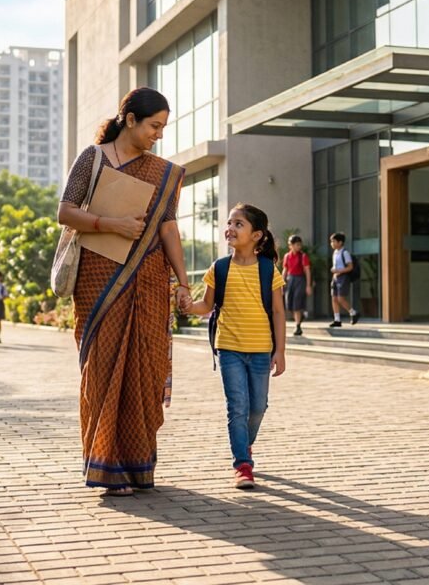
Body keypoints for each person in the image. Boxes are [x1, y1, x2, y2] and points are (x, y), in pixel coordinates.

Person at [56, 87, 191, 497]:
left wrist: (182, 283)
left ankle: (137, 465)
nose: (159, 135)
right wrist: (110, 225)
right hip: (99, 278)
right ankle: (107, 466)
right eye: (154, 125)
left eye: (163, 127)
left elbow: (168, 227)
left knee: (145, 367)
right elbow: (65, 211)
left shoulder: (163, 172)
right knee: (102, 368)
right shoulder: (93, 159)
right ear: (129, 119)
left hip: (149, 279)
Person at [184, 203, 286, 490]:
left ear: (257, 235)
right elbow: (206, 304)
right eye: (229, 223)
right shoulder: (219, 268)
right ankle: (242, 463)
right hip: (228, 347)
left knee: (258, 407)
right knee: (237, 407)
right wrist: (187, 306)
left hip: (260, 349)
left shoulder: (268, 270)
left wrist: (280, 351)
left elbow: (278, 312)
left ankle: (245, 444)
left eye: (239, 224)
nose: (230, 228)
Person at [282, 235, 312, 337]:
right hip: (290, 280)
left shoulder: (303, 256)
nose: (299, 247)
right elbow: (285, 270)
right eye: (296, 244)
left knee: (296, 302)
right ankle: (301, 315)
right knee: (289, 303)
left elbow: (307, 271)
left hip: (300, 279)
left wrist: (308, 285)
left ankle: (298, 326)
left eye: (300, 244)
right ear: (291, 245)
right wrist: (282, 283)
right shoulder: (287, 256)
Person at [329, 232, 359, 327]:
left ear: (340, 242)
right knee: (334, 298)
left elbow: (350, 267)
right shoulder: (335, 252)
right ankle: (337, 319)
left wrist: (339, 271)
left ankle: (353, 312)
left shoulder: (345, 252)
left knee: (340, 298)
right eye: (331, 241)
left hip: (343, 277)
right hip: (335, 277)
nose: (332, 243)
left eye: (334, 241)